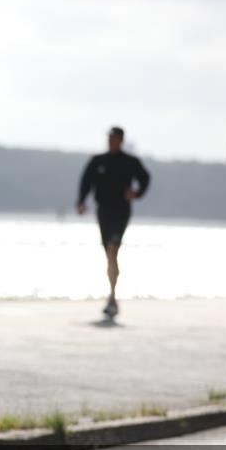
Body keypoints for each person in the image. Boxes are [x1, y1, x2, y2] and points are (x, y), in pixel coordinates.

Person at [76, 127, 150, 317]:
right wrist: (81, 201)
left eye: (114, 138)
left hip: (121, 211)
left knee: (113, 249)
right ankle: (112, 295)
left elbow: (145, 178)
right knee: (109, 254)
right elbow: (86, 181)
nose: (111, 141)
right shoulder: (98, 161)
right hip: (103, 211)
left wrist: (136, 194)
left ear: (121, 140)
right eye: (109, 137)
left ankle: (112, 297)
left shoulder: (130, 162)